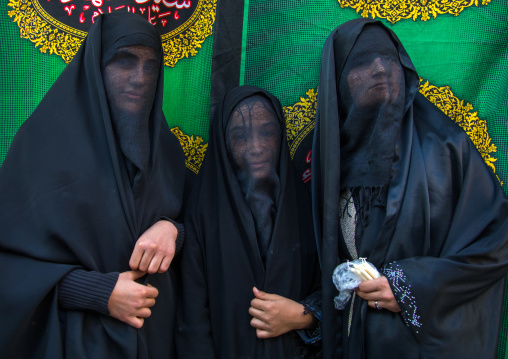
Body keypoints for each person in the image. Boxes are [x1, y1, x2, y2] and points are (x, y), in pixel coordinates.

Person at [311, 18, 508, 359]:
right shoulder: (326, 161)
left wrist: (408, 285)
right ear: (338, 80)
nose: (379, 70)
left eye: (388, 60)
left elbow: (497, 238)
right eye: (362, 62)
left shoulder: (445, 148)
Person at [0, 12, 186, 358]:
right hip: (75, 341)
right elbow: (9, 264)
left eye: (151, 65)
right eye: (123, 61)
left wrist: (171, 228)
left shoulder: (167, 152)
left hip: (157, 340)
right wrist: (96, 291)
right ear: (95, 67)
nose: (140, 78)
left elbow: (200, 221)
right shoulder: (41, 148)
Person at [176, 85, 321, 358]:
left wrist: (304, 315)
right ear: (224, 144)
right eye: (241, 136)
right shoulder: (203, 214)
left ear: (281, 135)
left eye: (266, 133)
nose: (256, 147)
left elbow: (330, 290)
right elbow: (192, 319)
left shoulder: (306, 208)